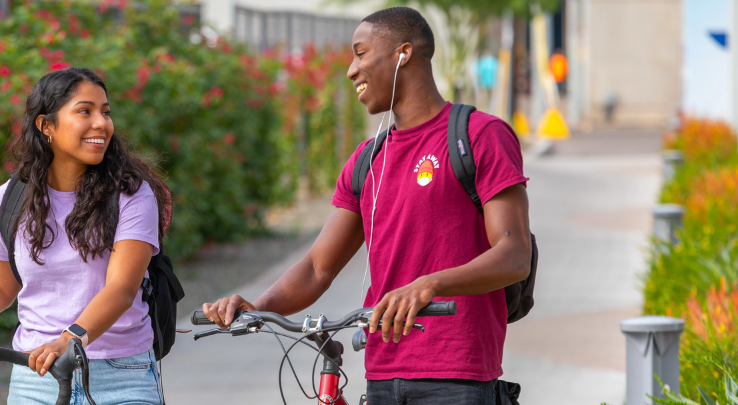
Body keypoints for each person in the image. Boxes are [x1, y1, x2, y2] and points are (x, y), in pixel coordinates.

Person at [202, 7, 531, 404]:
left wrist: (429, 284)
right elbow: (317, 268)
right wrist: (256, 306)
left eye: (360, 53)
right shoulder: (367, 161)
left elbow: (514, 256)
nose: (350, 70)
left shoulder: (479, 136)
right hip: (382, 375)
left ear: (402, 54)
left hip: (457, 374)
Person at [0, 67, 169, 404]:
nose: (101, 123)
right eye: (85, 111)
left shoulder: (131, 195)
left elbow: (121, 288)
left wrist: (70, 338)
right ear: (47, 126)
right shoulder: (11, 198)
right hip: (34, 378)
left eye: (105, 112)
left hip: (119, 376)